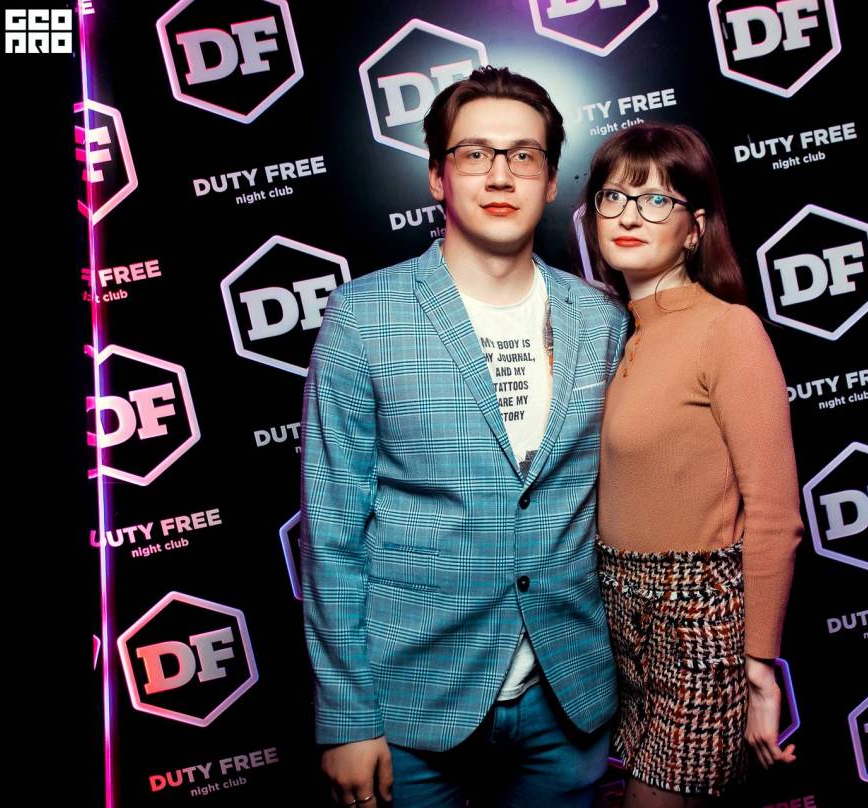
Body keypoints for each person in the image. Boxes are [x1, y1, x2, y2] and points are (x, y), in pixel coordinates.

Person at [300, 66, 629, 807]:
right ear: (436, 177)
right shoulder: (363, 317)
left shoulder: (602, 319)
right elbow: (331, 531)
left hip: (568, 700)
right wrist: (346, 717)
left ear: (551, 181)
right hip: (412, 704)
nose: (500, 174)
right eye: (475, 153)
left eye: (524, 155)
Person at [581, 123, 805, 805]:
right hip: (617, 618)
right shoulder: (611, 335)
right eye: (613, 197)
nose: (628, 216)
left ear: (694, 229)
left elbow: (775, 516)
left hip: (698, 620)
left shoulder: (726, 329)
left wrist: (759, 670)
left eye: (656, 201)